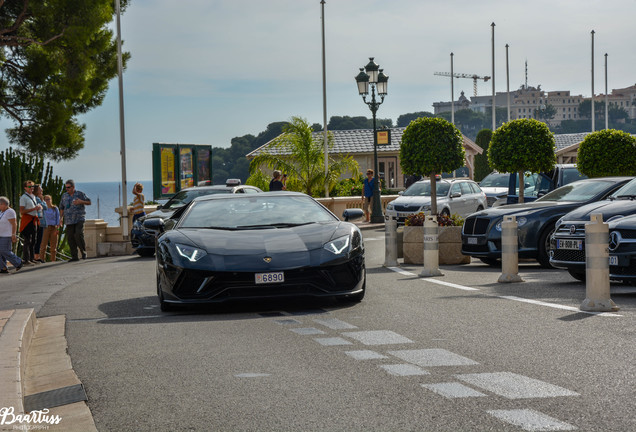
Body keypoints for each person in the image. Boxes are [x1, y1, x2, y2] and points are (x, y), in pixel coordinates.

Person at [59, 179, 91, 261]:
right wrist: (60, 218)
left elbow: (89, 202)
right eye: (66, 187)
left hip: (79, 218)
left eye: (68, 187)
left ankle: (83, 252)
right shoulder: (64, 196)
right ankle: (74, 256)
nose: (67, 189)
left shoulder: (80, 194)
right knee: (70, 237)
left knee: (78, 234)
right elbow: (62, 208)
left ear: (73, 187)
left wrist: (81, 201)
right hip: (69, 220)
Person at [19, 180, 42, 264]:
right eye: (29, 186)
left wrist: (38, 208)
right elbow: (22, 211)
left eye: (32, 186)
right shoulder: (23, 197)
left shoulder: (33, 196)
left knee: (33, 240)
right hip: (27, 220)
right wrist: (33, 209)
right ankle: (26, 259)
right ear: (25, 188)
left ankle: (31, 258)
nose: (31, 188)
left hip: (34, 220)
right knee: (27, 240)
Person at [0, 196, 23, 274]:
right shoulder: (1, 212)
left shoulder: (10, 211)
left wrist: (13, 234)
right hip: (1, 235)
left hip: (6, 235)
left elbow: (14, 224)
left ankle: (18, 262)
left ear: (3, 204)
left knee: (4, 250)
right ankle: (2, 267)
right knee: (1, 252)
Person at [39, 195, 61, 262]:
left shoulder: (55, 208)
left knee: (53, 246)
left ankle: (53, 260)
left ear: (51, 200)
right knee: (43, 245)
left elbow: (58, 218)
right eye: (45, 199)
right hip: (45, 227)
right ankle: (42, 260)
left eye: (48, 199)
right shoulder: (42, 208)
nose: (47, 201)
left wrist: (58, 229)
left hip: (53, 227)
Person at [32, 184, 47, 263]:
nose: (42, 190)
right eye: (40, 189)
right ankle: (36, 256)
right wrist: (42, 200)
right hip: (39, 222)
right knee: (38, 239)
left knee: (39, 240)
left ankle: (36, 256)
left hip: (41, 222)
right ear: (37, 190)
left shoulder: (39, 199)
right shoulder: (37, 199)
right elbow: (45, 207)